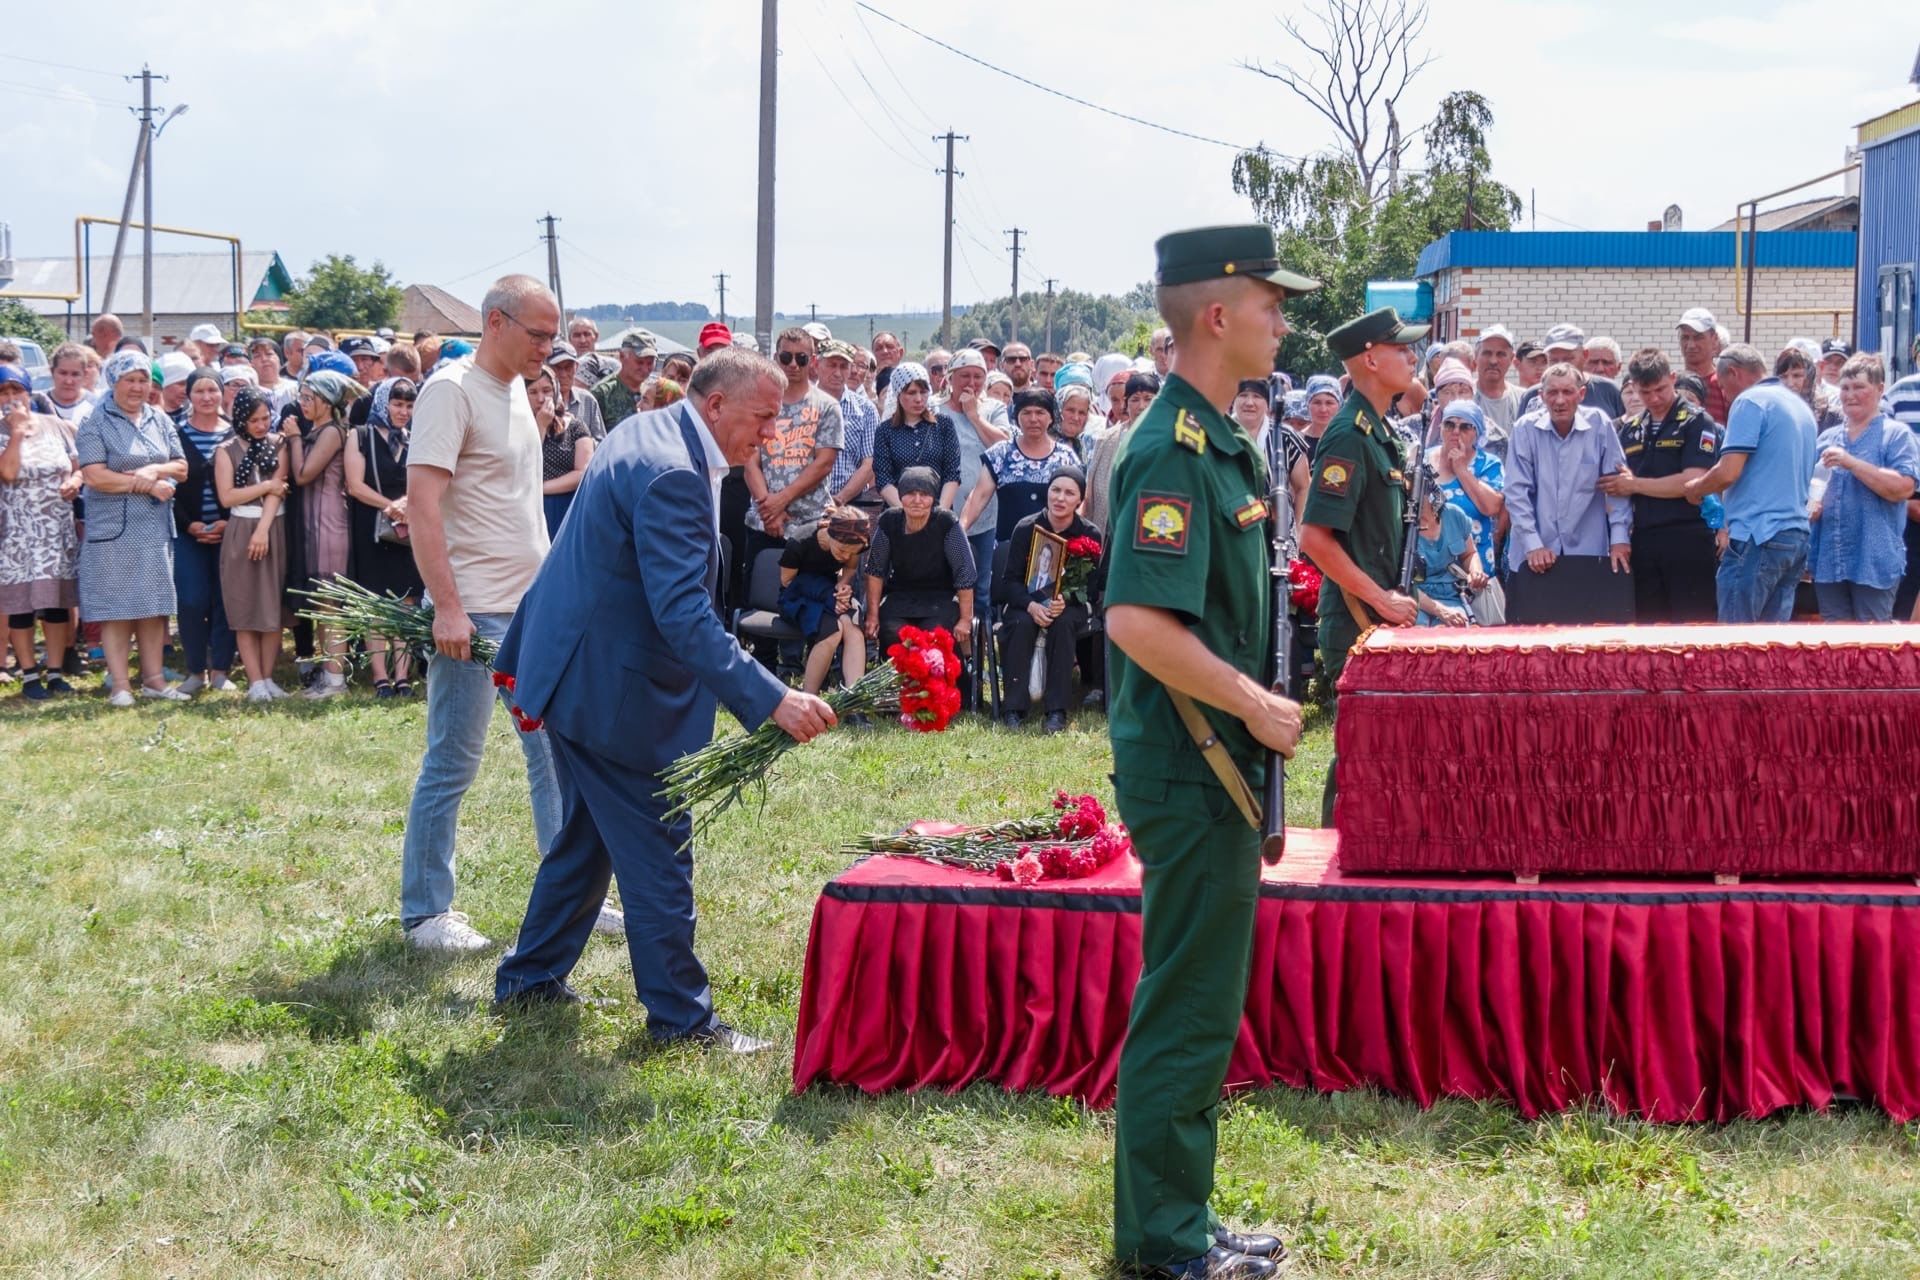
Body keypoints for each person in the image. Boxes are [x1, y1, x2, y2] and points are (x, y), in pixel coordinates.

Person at [492, 347, 835, 1043]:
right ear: (714, 406)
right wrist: (774, 698)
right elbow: (683, 614)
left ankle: (529, 979)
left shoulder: (648, 429)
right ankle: (682, 1020)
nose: (771, 434)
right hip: (608, 691)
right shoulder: (674, 471)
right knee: (658, 855)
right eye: (763, 418)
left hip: (580, 669)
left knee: (588, 840)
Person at [1104, 225, 1311, 1280]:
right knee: (1185, 1002)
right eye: (1272, 302)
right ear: (1218, 316)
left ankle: (1176, 1214)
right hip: (1195, 764)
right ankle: (1162, 1242)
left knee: (1200, 998)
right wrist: (1254, 703)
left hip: (1214, 763)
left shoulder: (1218, 438)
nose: (1285, 319)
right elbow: (1138, 619)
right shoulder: (1171, 448)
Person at [402, 275, 587, 953]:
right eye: (538, 334)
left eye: (552, 334)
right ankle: (426, 912)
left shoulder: (515, 391)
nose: (548, 347)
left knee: (554, 756)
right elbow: (423, 505)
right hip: (474, 613)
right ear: (495, 322)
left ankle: (572, 896)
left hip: (530, 607)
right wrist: (447, 608)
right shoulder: (450, 391)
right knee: (453, 758)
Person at [1300, 309, 1425, 822]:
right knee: (1357, 752)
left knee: (1383, 750)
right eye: (1402, 349)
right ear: (1371, 358)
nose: (1412, 356)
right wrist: (1380, 600)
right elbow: (1314, 538)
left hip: (1381, 614)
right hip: (1358, 617)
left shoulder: (1381, 431)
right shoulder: (1350, 435)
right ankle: (1337, 861)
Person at [75, 352, 189, 707]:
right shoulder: (95, 422)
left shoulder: (158, 419)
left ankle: (154, 680)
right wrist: (146, 484)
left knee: (154, 606)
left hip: (153, 528)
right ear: (114, 382)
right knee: (117, 608)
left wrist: (154, 472)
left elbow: (181, 467)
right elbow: (95, 476)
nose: (138, 387)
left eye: (143, 380)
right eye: (130, 380)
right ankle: (121, 685)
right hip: (113, 531)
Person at [1682, 344, 1816, 623]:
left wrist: (1696, 488)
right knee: (1770, 651)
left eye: (1722, 386)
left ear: (1733, 372)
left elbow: (1729, 471)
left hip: (1758, 535)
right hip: (1794, 537)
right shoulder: (1800, 408)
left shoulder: (1750, 401)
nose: (1724, 395)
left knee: (1735, 646)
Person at [1597, 348, 1720, 622]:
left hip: (1686, 537)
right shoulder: (1630, 429)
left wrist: (1634, 485)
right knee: (1648, 632)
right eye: (1645, 392)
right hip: (1643, 538)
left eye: (1660, 389)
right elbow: (1616, 482)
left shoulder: (1697, 421)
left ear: (1673, 378)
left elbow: (1691, 482)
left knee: (1693, 629)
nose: (1653, 398)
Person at [1504, 364, 1633, 609]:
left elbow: (1616, 486)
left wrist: (1619, 537)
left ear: (1581, 394)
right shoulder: (1524, 429)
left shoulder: (1599, 424)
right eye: (1552, 393)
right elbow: (1516, 493)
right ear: (1541, 397)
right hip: (1533, 557)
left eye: (1568, 392)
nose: (1560, 400)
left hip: (1588, 553)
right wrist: (1533, 545)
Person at [1807, 354, 1918, 621]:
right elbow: (1810, 491)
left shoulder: (1895, 435)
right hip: (1829, 561)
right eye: (1845, 388)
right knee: (1834, 651)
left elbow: (1903, 488)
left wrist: (1852, 463)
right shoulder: (1826, 438)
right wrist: (1812, 508)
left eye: (1859, 387)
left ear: (1880, 389)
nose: (1850, 395)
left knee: (1871, 653)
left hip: (1873, 562)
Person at [995, 468, 1101, 731]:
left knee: (1063, 623)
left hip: (1068, 606)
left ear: (1079, 500)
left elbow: (1092, 587)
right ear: (1047, 492)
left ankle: (1056, 710)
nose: (1060, 498)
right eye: (1055, 490)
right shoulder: (1026, 528)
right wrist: (1031, 605)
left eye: (1069, 493)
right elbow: (1009, 582)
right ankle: (1013, 709)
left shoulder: (1089, 533)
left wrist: (1065, 600)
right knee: (1020, 623)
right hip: (1026, 603)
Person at [0, 367, 81, 700]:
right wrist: (17, 432)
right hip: (18, 534)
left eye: (15, 391)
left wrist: (75, 483)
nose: (9, 399)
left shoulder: (56, 426)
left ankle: (56, 671)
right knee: (21, 606)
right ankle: (30, 674)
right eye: (3, 393)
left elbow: (78, 467)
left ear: (29, 393)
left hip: (55, 531)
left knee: (56, 604)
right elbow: (8, 472)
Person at [743, 328, 842, 591]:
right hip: (764, 524)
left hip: (812, 525)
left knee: (812, 609)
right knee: (758, 607)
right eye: (786, 357)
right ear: (776, 357)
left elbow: (823, 463)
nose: (793, 365)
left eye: (802, 358)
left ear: (813, 361)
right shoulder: (758, 403)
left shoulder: (827, 406)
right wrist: (769, 510)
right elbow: (749, 460)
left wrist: (781, 500)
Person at [345, 378, 424, 695]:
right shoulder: (360, 436)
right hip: (371, 525)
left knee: (405, 602)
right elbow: (355, 485)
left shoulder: (416, 438)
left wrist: (408, 504)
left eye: (408, 405)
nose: (403, 411)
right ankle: (381, 677)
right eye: (397, 403)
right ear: (382, 403)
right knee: (376, 603)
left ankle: (402, 675)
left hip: (407, 527)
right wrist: (390, 506)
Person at [214, 387, 292, 701]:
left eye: (265, 418)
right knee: (244, 603)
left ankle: (269, 676)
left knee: (272, 603)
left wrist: (262, 530)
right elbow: (228, 496)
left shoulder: (280, 445)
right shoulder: (226, 450)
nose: (261, 425)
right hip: (240, 527)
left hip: (272, 526)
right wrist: (266, 485)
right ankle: (255, 679)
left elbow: (278, 491)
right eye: (254, 420)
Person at [289, 370, 362, 699]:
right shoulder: (318, 429)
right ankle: (328, 673)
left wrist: (292, 438)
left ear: (326, 401)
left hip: (328, 520)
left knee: (330, 604)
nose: (303, 404)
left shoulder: (332, 431)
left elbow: (304, 474)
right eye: (301, 397)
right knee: (320, 603)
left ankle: (336, 680)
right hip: (312, 519)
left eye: (309, 398)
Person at [171, 368, 236, 694]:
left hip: (230, 532)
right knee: (193, 600)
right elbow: (171, 490)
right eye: (200, 391)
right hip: (189, 534)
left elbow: (245, 484)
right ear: (189, 395)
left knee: (226, 601)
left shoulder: (235, 434)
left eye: (213, 390)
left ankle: (222, 670)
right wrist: (190, 525)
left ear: (222, 393)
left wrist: (229, 521)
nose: (207, 397)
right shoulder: (177, 435)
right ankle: (196, 671)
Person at [863, 465, 976, 652]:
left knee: (934, 633)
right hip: (900, 596)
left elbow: (964, 571)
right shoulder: (889, 521)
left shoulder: (946, 522)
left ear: (933, 498)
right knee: (893, 631)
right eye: (910, 494)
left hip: (941, 597)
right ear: (900, 496)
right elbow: (875, 570)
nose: (917, 500)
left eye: (924, 494)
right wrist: (872, 616)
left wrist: (965, 619)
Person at [960, 389, 1081, 545]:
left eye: (1040, 412)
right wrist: (961, 530)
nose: (1033, 419)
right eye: (1026, 413)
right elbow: (979, 496)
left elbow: (1078, 502)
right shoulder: (1002, 453)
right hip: (1008, 548)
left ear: (1051, 417)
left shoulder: (1065, 457)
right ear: (1016, 417)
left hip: (1052, 550)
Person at [937, 349, 1008, 600]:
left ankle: (979, 634)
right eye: (964, 375)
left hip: (984, 515)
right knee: (942, 580)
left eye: (978, 376)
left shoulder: (994, 409)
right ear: (950, 378)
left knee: (980, 586)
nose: (971, 383)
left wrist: (974, 416)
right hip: (941, 511)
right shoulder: (935, 410)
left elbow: (1004, 447)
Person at [778, 506, 871, 694]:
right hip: (798, 596)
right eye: (842, 549)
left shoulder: (854, 542)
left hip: (829, 592)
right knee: (833, 629)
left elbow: (850, 569)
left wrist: (842, 586)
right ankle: (809, 696)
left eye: (851, 552)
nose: (845, 556)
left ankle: (853, 700)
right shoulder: (801, 540)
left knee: (852, 622)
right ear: (830, 533)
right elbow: (787, 581)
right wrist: (826, 594)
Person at [1428, 400, 1504, 572]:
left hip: (1476, 570)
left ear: (1476, 433)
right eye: (1449, 424)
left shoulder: (1487, 464)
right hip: (1432, 570)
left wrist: (1461, 470)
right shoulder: (1422, 460)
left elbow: (1492, 507)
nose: (1455, 432)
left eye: (1465, 427)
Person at [1409, 486, 1483, 626]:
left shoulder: (1453, 514)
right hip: (1416, 600)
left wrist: (1475, 571)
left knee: (1458, 635)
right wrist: (1440, 611)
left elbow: (1469, 554)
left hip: (1453, 597)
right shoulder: (1400, 525)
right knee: (1418, 637)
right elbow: (1400, 585)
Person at [532, 366, 593, 536]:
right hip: (531, 509)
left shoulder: (575, 427)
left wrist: (541, 488)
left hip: (567, 508)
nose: (541, 398)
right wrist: (540, 427)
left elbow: (583, 471)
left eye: (546, 390)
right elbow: (526, 464)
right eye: (533, 392)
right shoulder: (518, 427)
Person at [821, 340, 879, 510]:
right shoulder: (803, 404)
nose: (838, 373)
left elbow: (869, 463)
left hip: (851, 505)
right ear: (817, 364)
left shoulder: (866, 409)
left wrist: (839, 499)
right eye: (832, 365)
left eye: (844, 366)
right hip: (804, 506)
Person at [1676, 308, 1731, 425]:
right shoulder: (1671, 385)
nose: (1690, 345)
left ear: (1714, 339)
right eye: (1685, 337)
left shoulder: (1724, 385)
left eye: (1698, 337)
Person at [591, 331, 656, 429]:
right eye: (639, 362)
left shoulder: (654, 391)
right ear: (622, 356)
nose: (645, 368)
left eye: (650, 363)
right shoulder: (603, 394)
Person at [547, 346, 604, 441]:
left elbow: (601, 441)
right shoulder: (539, 400)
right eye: (557, 368)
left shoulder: (587, 400)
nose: (563, 374)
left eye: (568, 367)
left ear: (576, 367)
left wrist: (582, 441)